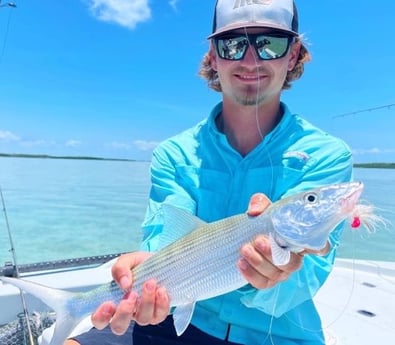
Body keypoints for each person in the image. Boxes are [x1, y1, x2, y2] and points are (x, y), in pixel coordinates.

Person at [65, 0, 353, 344]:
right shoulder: (173, 154)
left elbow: (307, 279)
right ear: (213, 57)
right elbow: (164, 240)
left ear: (292, 55)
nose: (250, 60)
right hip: (174, 318)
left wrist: (276, 275)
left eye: (270, 44)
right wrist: (145, 276)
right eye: (232, 45)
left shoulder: (328, 155)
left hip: (274, 335)